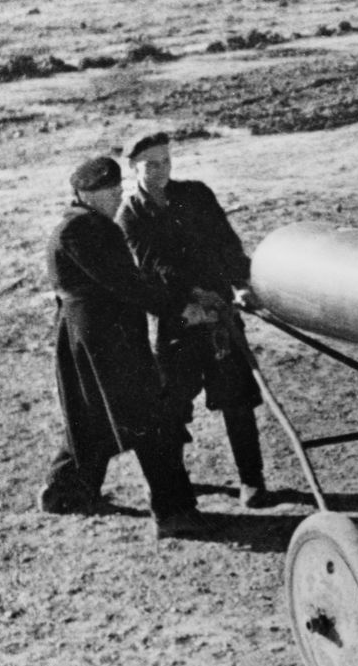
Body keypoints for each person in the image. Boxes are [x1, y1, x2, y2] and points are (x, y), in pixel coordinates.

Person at [40, 156, 205, 538]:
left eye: (118, 189)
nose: (117, 197)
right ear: (85, 193)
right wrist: (182, 309)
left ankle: (64, 491)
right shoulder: (83, 231)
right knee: (153, 420)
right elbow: (127, 285)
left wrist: (182, 292)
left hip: (95, 338)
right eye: (108, 191)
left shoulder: (86, 225)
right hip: (105, 342)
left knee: (94, 416)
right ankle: (174, 512)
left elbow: (129, 279)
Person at [115, 130, 270, 508]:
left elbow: (226, 243)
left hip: (219, 316)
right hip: (174, 322)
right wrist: (192, 295)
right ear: (133, 167)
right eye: (151, 164)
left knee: (237, 398)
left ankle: (252, 481)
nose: (161, 170)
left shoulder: (196, 195)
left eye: (166, 161)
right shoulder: (129, 215)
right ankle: (171, 481)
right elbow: (152, 266)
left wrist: (242, 283)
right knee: (171, 405)